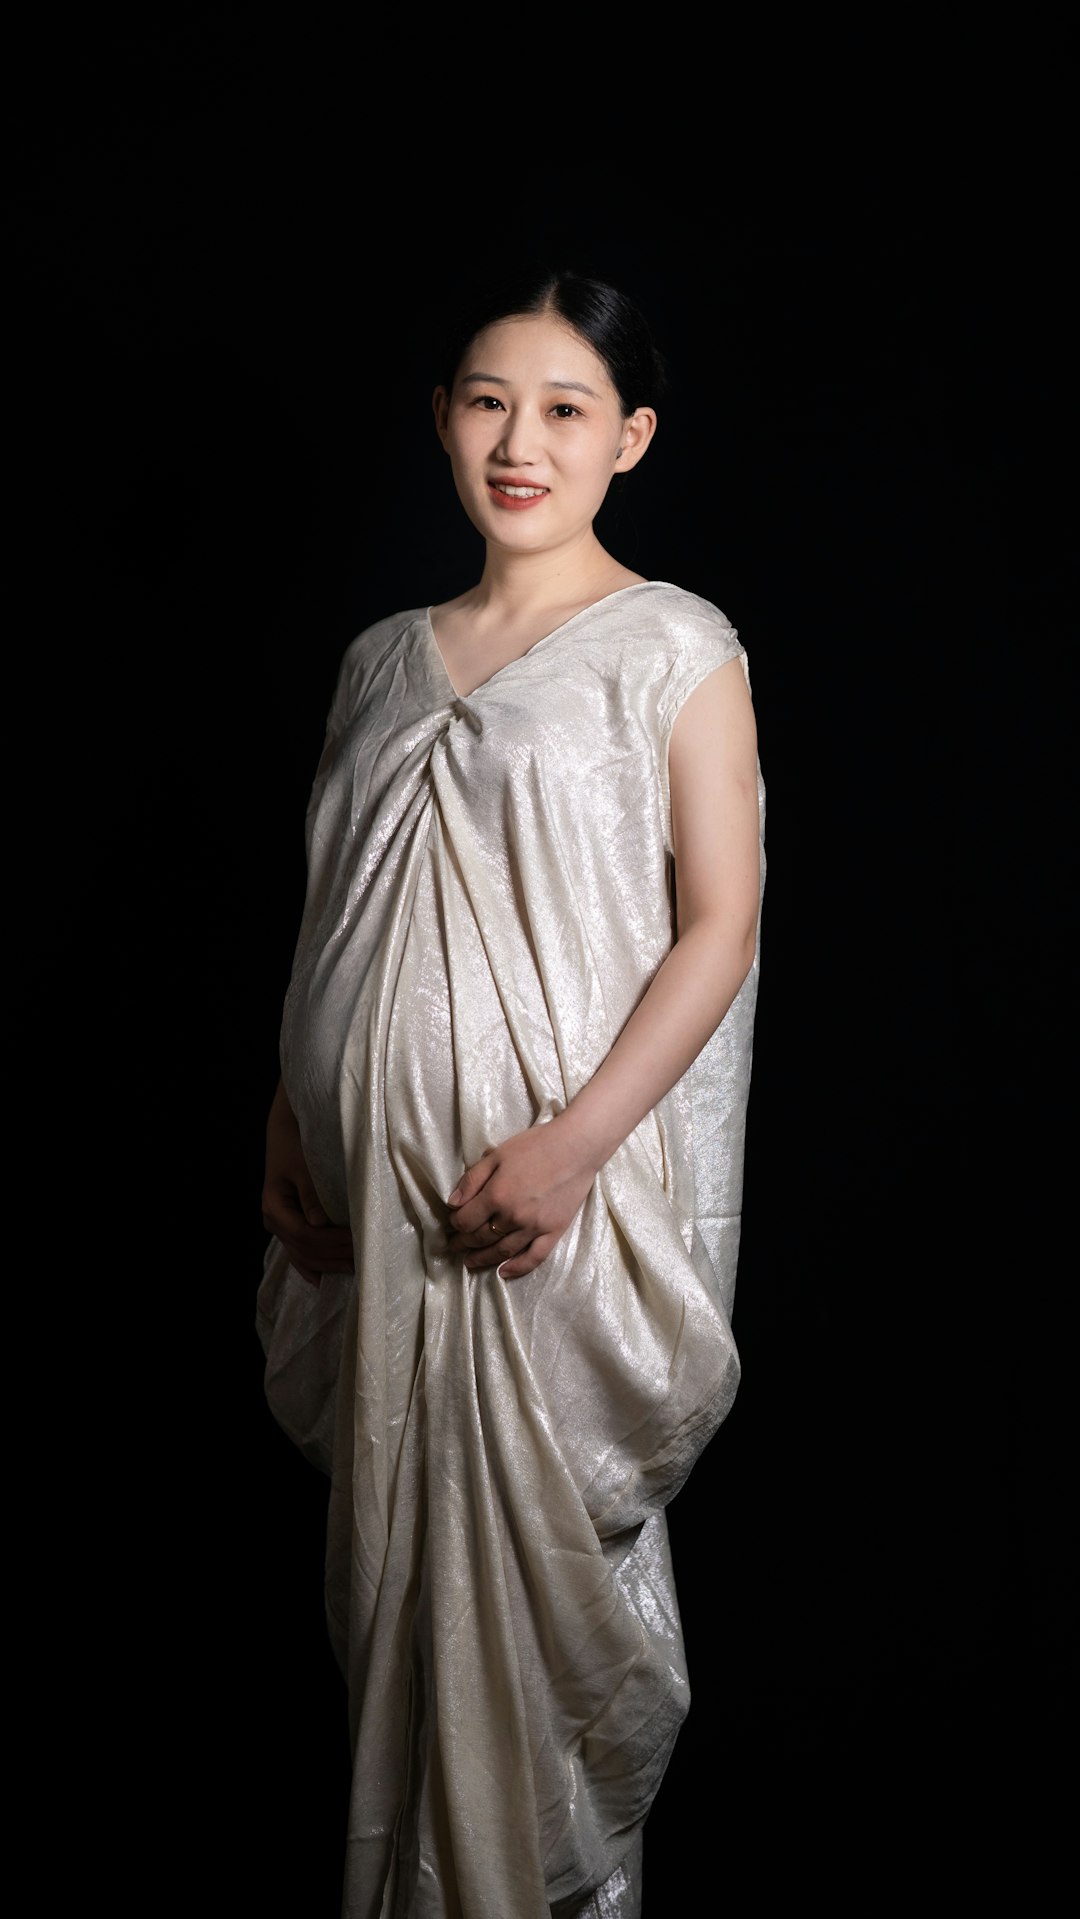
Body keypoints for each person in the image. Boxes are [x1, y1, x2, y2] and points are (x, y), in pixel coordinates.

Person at [256, 262, 767, 1918]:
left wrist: (568, 1152)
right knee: (397, 1638)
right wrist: (291, 1120)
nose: (518, 443)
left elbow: (722, 920)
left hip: (539, 1236)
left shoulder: (672, 645)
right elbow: (333, 912)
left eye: (563, 409)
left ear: (631, 437)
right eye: (488, 402)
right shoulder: (379, 660)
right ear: (442, 420)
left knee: (525, 1662)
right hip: (375, 1237)